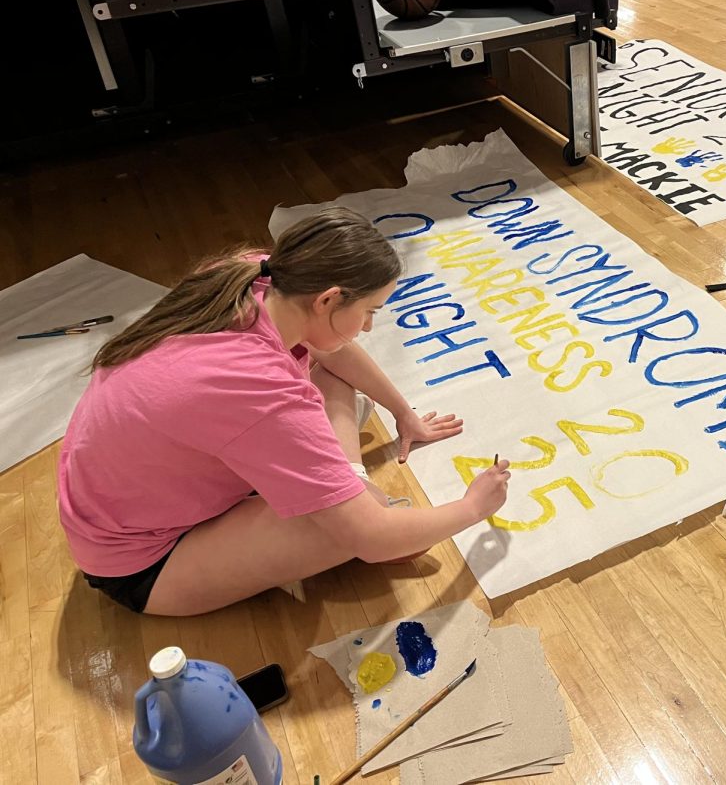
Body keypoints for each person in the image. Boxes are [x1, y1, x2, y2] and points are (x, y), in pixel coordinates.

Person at [57, 208, 510, 616]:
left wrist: (402, 413)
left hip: (136, 492)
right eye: (369, 311)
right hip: (141, 562)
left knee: (337, 389)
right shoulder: (257, 387)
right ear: (328, 299)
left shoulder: (258, 273)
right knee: (353, 526)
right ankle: (353, 487)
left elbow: (333, 352)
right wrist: (471, 507)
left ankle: (349, 484)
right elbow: (370, 540)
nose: (370, 327)